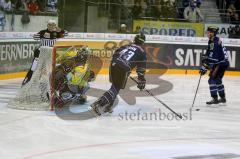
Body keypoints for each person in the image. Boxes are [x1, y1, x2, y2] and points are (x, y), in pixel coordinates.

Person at [91, 33, 147, 115]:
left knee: (115, 86)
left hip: (113, 64)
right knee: (116, 87)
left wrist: (118, 63)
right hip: (124, 68)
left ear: (134, 40)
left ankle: (108, 105)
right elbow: (141, 68)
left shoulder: (126, 46)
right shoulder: (142, 52)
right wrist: (141, 79)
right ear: (143, 42)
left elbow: (116, 53)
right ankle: (99, 103)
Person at [21, 19, 68, 86]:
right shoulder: (43, 32)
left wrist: (59, 30)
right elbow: (35, 37)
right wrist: (41, 36)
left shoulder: (56, 33)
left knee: (47, 68)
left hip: (49, 54)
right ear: (47, 25)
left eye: (53, 25)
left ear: (55, 25)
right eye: (50, 25)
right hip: (40, 53)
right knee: (34, 67)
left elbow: (66, 34)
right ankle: (27, 81)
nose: (51, 26)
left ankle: (43, 82)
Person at [199, 26, 229, 105]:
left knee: (211, 80)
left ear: (213, 33)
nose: (207, 33)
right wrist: (206, 58)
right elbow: (209, 53)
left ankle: (215, 98)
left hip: (220, 63)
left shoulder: (215, 43)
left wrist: (204, 66)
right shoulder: (212, 40)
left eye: (209, 32)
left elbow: (214, 59)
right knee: (218, 80)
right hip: (222, 63)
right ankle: (222, 98)